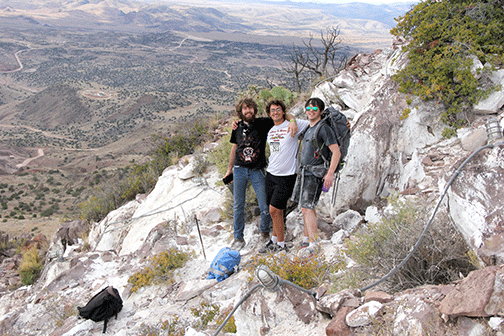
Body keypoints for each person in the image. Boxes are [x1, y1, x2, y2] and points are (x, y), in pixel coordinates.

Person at [224, 98, 297, 251]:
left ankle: (265, 232)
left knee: (265, 205)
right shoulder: (236, 127)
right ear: (241, 111)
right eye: (245, 109)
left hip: (257, 170)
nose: (248, 111)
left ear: (254, 110)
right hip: (239, 169)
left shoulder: (264, 123)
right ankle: (238, 237)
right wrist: (229, 169)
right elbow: (234, 148)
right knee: (238, 205)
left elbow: (284, 115)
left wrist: (293, 121)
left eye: (250, 108)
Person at [291, 97, 341, 254]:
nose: (311, 111)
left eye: (314, 109)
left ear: (320, 111)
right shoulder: (309, 128)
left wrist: (330, 173)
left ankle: (314, 243)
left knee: (307, 208)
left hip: (315, 173)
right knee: (307, 208)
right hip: (305, 172)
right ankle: (307, 240)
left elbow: (336, 152)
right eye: (308, 108)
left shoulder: (323, 129)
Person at [259, 99, 309, 253]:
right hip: (271, 173)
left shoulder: (293, 124)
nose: (275, 112)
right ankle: (274, 240)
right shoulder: (270, 129)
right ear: (269, 113)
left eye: (278, 109)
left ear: (283, 111)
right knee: (275, 211)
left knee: (274, 210)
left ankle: (280, 246)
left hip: (287, 175)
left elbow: (313, 122)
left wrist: (292, 120)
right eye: (272, 110)